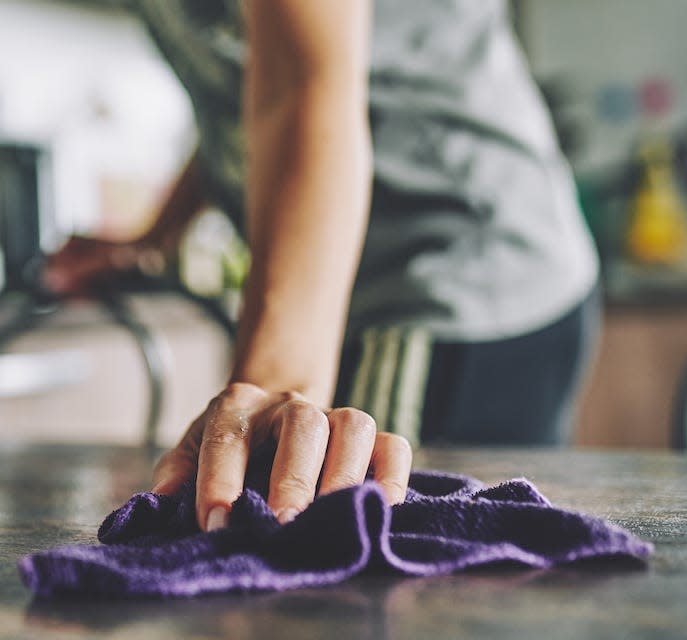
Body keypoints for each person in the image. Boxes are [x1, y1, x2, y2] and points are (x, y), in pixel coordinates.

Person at [44, 0, 600, 533]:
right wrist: (155, 238)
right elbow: (250, 99)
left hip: (458, 267)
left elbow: (300, 87)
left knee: (356, 549)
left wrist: (271, 401)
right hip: (389, 284)